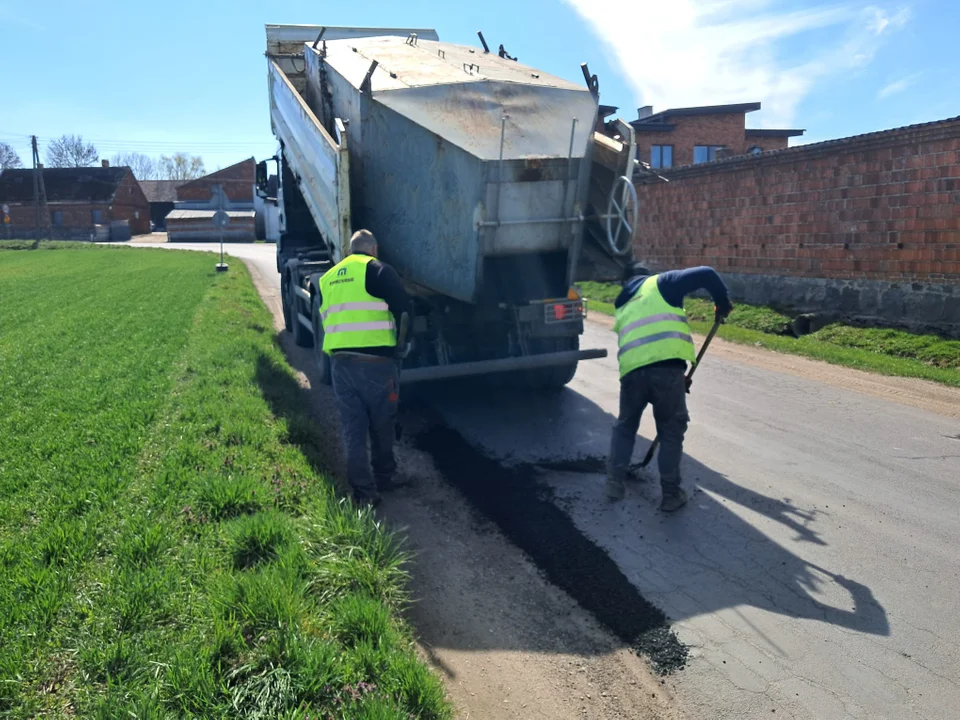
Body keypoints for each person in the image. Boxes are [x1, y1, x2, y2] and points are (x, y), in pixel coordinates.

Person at [607, 263, 733, 512]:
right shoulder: (662, 282)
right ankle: (671, 495)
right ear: (647, 276)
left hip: (631, 372)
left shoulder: (623, 301)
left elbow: (644, 343)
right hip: (666, 373)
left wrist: (678, 377)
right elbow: (707, 273)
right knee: (670, 430)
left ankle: (614, 484)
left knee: (625, 427)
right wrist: (722, 302)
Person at [318, 229, 412, 507]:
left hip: (340, 363)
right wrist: (402, 346)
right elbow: (404, 311)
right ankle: (384, 477)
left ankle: (364, 492)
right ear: (374, 249)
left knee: (353, 427)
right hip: (376, 363)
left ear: (350, 250)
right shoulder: (379, 270)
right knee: (382, 423)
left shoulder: (328, 278)